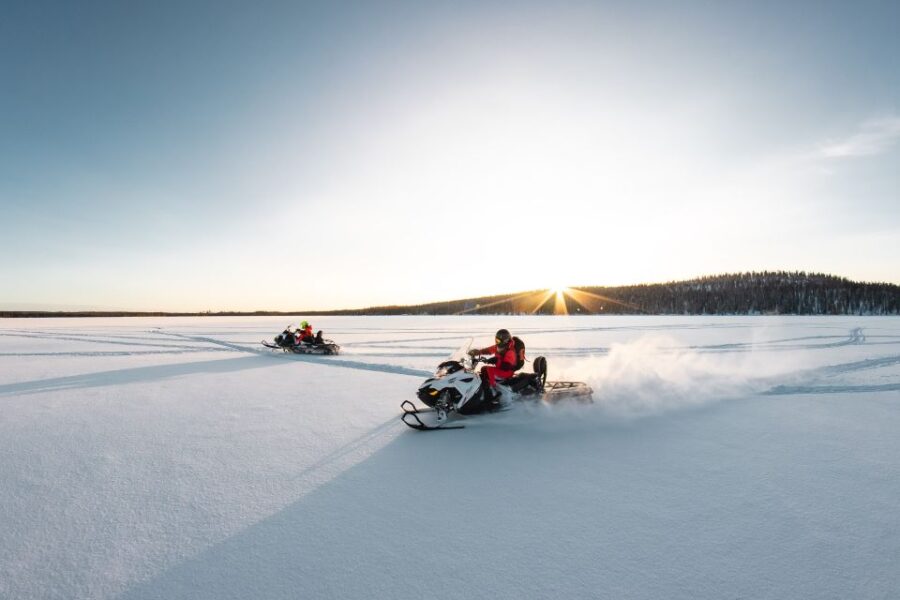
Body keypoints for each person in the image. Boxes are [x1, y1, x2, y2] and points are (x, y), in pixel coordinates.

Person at [468, 329, 522, 404]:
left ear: (505, 340)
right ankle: (484, 388)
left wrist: (496, 361)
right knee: (483, 369)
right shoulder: (499, 347)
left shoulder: (510, 351)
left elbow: (507, 366)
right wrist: (478, 352)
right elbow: (488, 350)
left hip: (507, 371)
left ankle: (494, 391)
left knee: (490, 370)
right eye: (496, 340)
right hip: (500, 369)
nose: (497, 342)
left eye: (498, 341)